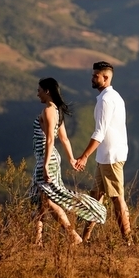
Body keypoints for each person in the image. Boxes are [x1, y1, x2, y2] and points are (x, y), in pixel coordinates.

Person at [29, 77, 107, 246]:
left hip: (46, 158)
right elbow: (64, 139)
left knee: (49, 200)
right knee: (41, 201)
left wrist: (44, 165)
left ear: (47, 91)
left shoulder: (49, 110)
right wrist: (71, 159)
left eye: (39, 90)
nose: (37, 94)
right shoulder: (57, 110)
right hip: (49, 158)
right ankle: (37, 241)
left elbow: (51, 139)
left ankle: (73, 236)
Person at [74, 61, 132, 244]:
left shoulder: (106, 100)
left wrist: (83, 157)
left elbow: (100, 132)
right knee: (95, 198)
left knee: (117, 199)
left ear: (105, 78)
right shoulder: (114, 97)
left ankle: (128, 241)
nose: (92, 78)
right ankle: (84, 240)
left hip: (110, 157)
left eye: (95, 76)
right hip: (107, 156)